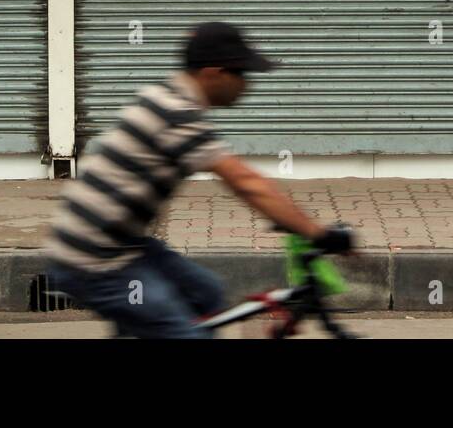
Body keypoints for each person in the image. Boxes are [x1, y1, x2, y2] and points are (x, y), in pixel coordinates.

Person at [45, 21, 354, 338]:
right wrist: (318, 233)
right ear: (213, 73)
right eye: (241, 74)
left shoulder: (168, 97)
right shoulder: (176, 113)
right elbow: (246, 183)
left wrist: (290, 219)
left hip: (125, 244)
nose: (246, 84)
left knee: (206, 292)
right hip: (93, 260)